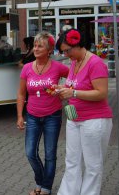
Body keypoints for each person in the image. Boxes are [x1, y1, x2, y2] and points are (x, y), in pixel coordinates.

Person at [56, 28, 113, 195]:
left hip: (94, 120)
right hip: (74, 118)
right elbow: (73, 85)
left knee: (92, 165)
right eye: (63, 51)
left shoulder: (95, 63)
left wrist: (73, 93)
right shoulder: (75, 62)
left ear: (79, 45)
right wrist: (62, 88)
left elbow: (101, 93)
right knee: (72, 160)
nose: (66, 54)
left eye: (68, 50)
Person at [16, 32, 69, 195]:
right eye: (35, 46)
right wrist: (19, 115)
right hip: (32, 115)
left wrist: (63, 89)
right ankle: (40, 181)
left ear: (49, 50)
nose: (36, 49)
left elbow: (74, 78)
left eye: (40, 46)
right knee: (30, 152)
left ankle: (45, 188)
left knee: (50, 154)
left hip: (53, 116)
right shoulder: (26, 68)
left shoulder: (58, 67)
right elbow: (21, 94)